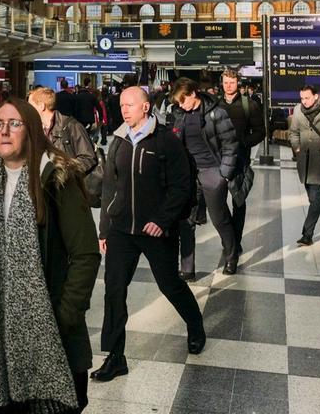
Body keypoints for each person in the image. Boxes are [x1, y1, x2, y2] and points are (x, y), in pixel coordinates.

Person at [0, 99, 100, 413]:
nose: (4, 131)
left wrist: (63, 317)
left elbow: (86, 254)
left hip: (51, 334)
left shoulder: (56, 179)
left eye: (14, 124)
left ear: (32, 130)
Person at [93, 86, 206, 383]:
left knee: (170, 285)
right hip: (121, 229)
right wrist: (104, 228)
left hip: (155, 230)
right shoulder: (118, 139)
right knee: (114, 291)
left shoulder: (166, 140)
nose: (124, 109)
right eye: (121, 105)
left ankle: (195, 325)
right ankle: (115, 357)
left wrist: (162, 219)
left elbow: (182, 186)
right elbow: (109, 187)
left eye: (129, 104)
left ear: (145, 108)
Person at [169, 77, 240, 278]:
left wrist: (223, 175)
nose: (180, 105)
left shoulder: (217, 113)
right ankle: (187, 268)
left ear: (193, 94)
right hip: (189, 174)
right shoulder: (179, 114)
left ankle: (231, 257)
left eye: (183, 100)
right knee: (186, 221)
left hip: (212, 172)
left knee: (219, 218)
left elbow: (230, 145)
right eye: (178, 102)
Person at [217, 69, 265, 258]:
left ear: (238, 83)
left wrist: (245, 142)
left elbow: (260, 131)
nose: (229, 86)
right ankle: (228, 239)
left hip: (240, 160)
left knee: (238, 201)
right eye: (226, 82)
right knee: (219, 203)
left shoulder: (249, 105)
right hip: (218, 161)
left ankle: (235, 242)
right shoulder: (215, 105)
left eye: (232, 82)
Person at [288, 85, 320, 247]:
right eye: (302, 98)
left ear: (316, 96)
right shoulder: (298, 110)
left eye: (307, 98)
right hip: (304, 162)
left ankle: (307, 234)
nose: (304, 101)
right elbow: (293, 132)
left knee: (314, 199)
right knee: (314, 198)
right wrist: (297, 148)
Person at [27, 85, 98, 175]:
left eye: (30, 106)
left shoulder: (71, 126)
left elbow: (88, 158)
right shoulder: (36, 129)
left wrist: (63, 173)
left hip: (68, 185)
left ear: (41, 106)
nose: (27, 110)